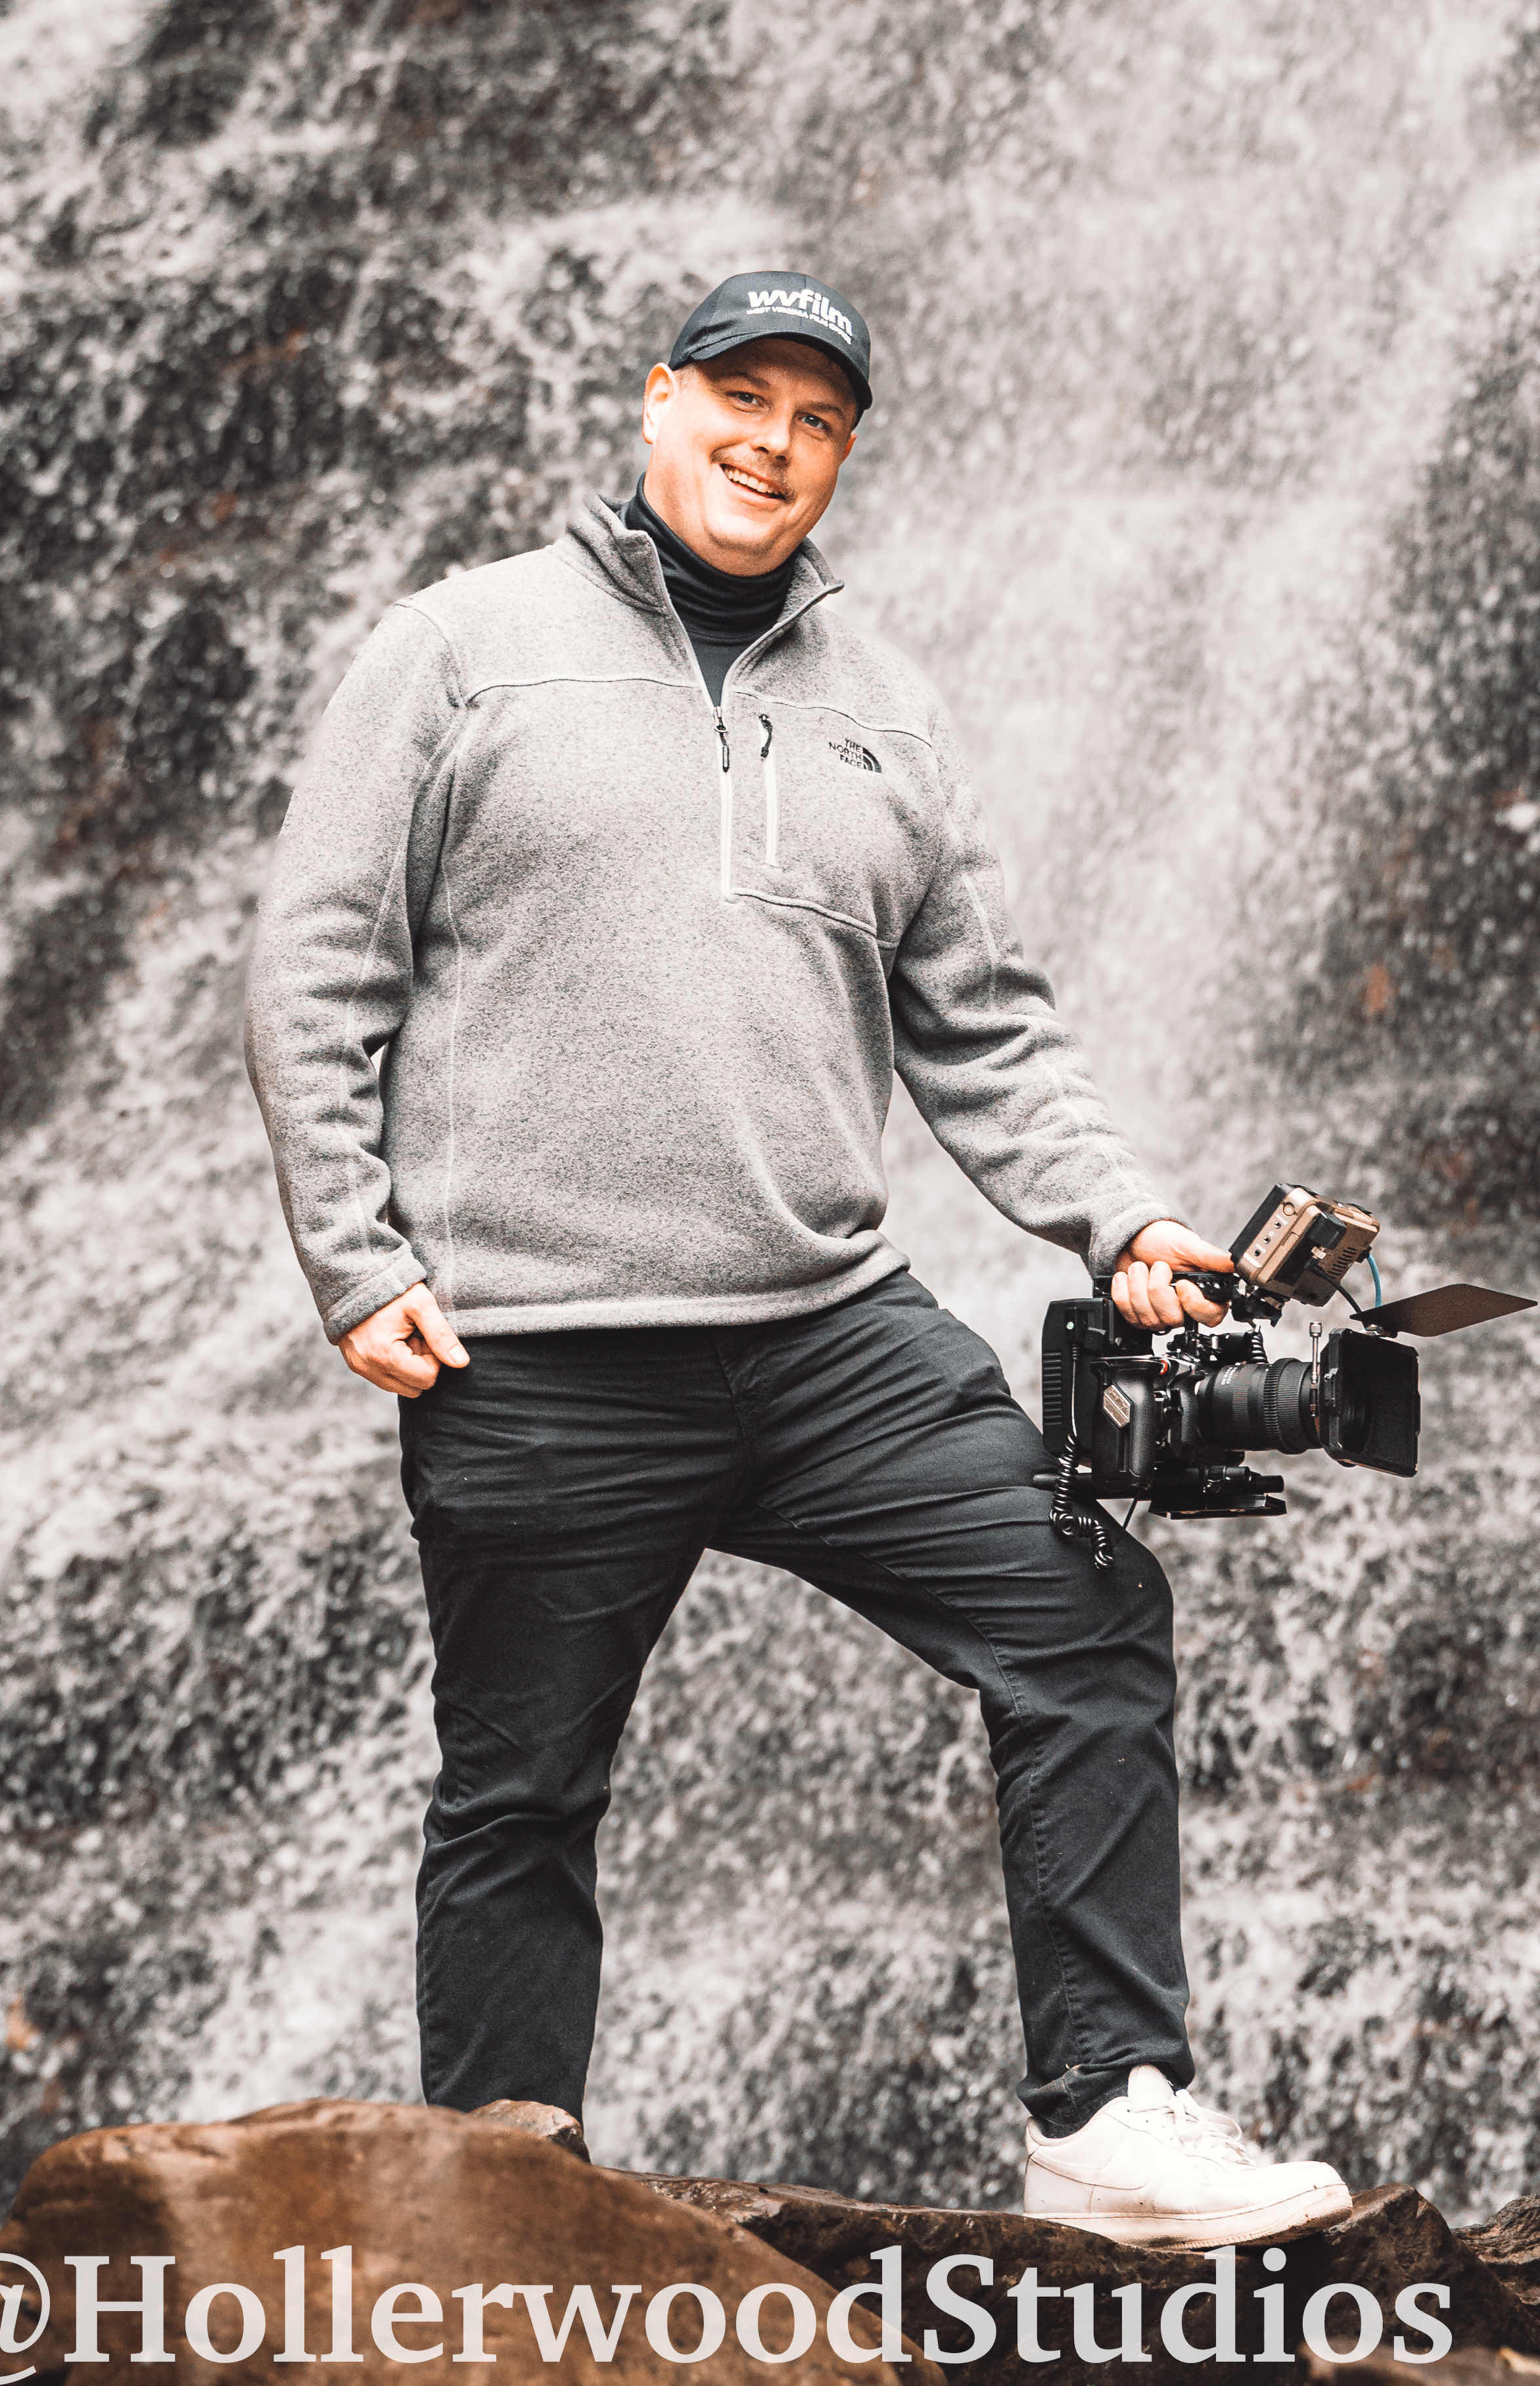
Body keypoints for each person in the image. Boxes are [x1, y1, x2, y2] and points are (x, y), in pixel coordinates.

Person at [245, 271, 1351, 2246]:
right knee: (520, 1793)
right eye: (739, 397)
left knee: (1087, 1612)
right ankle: (505, 2197)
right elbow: (315, 965)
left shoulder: (884, 707)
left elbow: (986, 1027)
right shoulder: (460, 647)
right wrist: (354, 1254)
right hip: (536, 1345)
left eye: (814, 419)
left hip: (833, 1334)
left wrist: (1128, 1220)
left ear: (841, 454)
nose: (770, 442)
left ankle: (1109, 2117)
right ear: (657, 400)